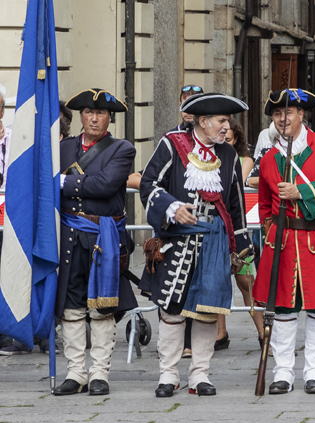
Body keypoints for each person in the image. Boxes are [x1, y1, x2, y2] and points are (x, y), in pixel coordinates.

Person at [139, 93, 253, 398]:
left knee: (207, 310)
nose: (227, 127)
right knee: (172, 308)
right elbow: (149, 184)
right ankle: (168, 375)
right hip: (178, 238)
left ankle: (200, 374)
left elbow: (235, 203)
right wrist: (171, 207)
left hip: (214, 240)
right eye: (221, 121)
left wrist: (242, 246)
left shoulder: (228, 155)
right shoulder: (172, 144)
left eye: (227, 121)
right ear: (203, 122)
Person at [253, 89, 315, 395]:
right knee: (283, 311)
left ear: (301, 116)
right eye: (278, 114)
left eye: (289, 113)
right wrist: (270, 232)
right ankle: (283, 372)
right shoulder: (269, 158)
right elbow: (267, 205)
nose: (283, 119)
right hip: (281, 244)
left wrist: (301, 193)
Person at [51, 89, 136, 396]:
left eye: (100, 113)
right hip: (70, 236)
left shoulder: (122, 149)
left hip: (104, 237)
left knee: (103, 308)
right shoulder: (62, 147)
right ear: (81, 117)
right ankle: (76, 373)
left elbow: (106, 185)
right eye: (88, 112)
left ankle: (99, 372)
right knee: (70, 307)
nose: (94, 118)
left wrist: (63, 182)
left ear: (109, 117)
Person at [219, 120, 263, 349]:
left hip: (237, 226)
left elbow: (234, 181)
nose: (224, 141)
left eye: (228, 138)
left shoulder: (243, 159)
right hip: (217, 225)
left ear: (236, 140)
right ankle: (220, 334)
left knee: (246, 281)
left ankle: (263, 332)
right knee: (215, 281)